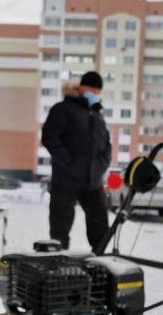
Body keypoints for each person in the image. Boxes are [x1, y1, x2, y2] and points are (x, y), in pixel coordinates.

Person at [41, 71, 112, 251]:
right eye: (92, 89)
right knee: (60, 228)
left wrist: (100, 167)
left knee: (100, 224)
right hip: (66, 179)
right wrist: (68, 162)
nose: (95, 94)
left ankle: (100, 261)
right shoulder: (63, 109)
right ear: (81, 87)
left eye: (98, 91)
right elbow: (50, 137)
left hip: (93, 181)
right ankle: (58, 262)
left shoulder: (97, 117)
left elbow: (106, 147)